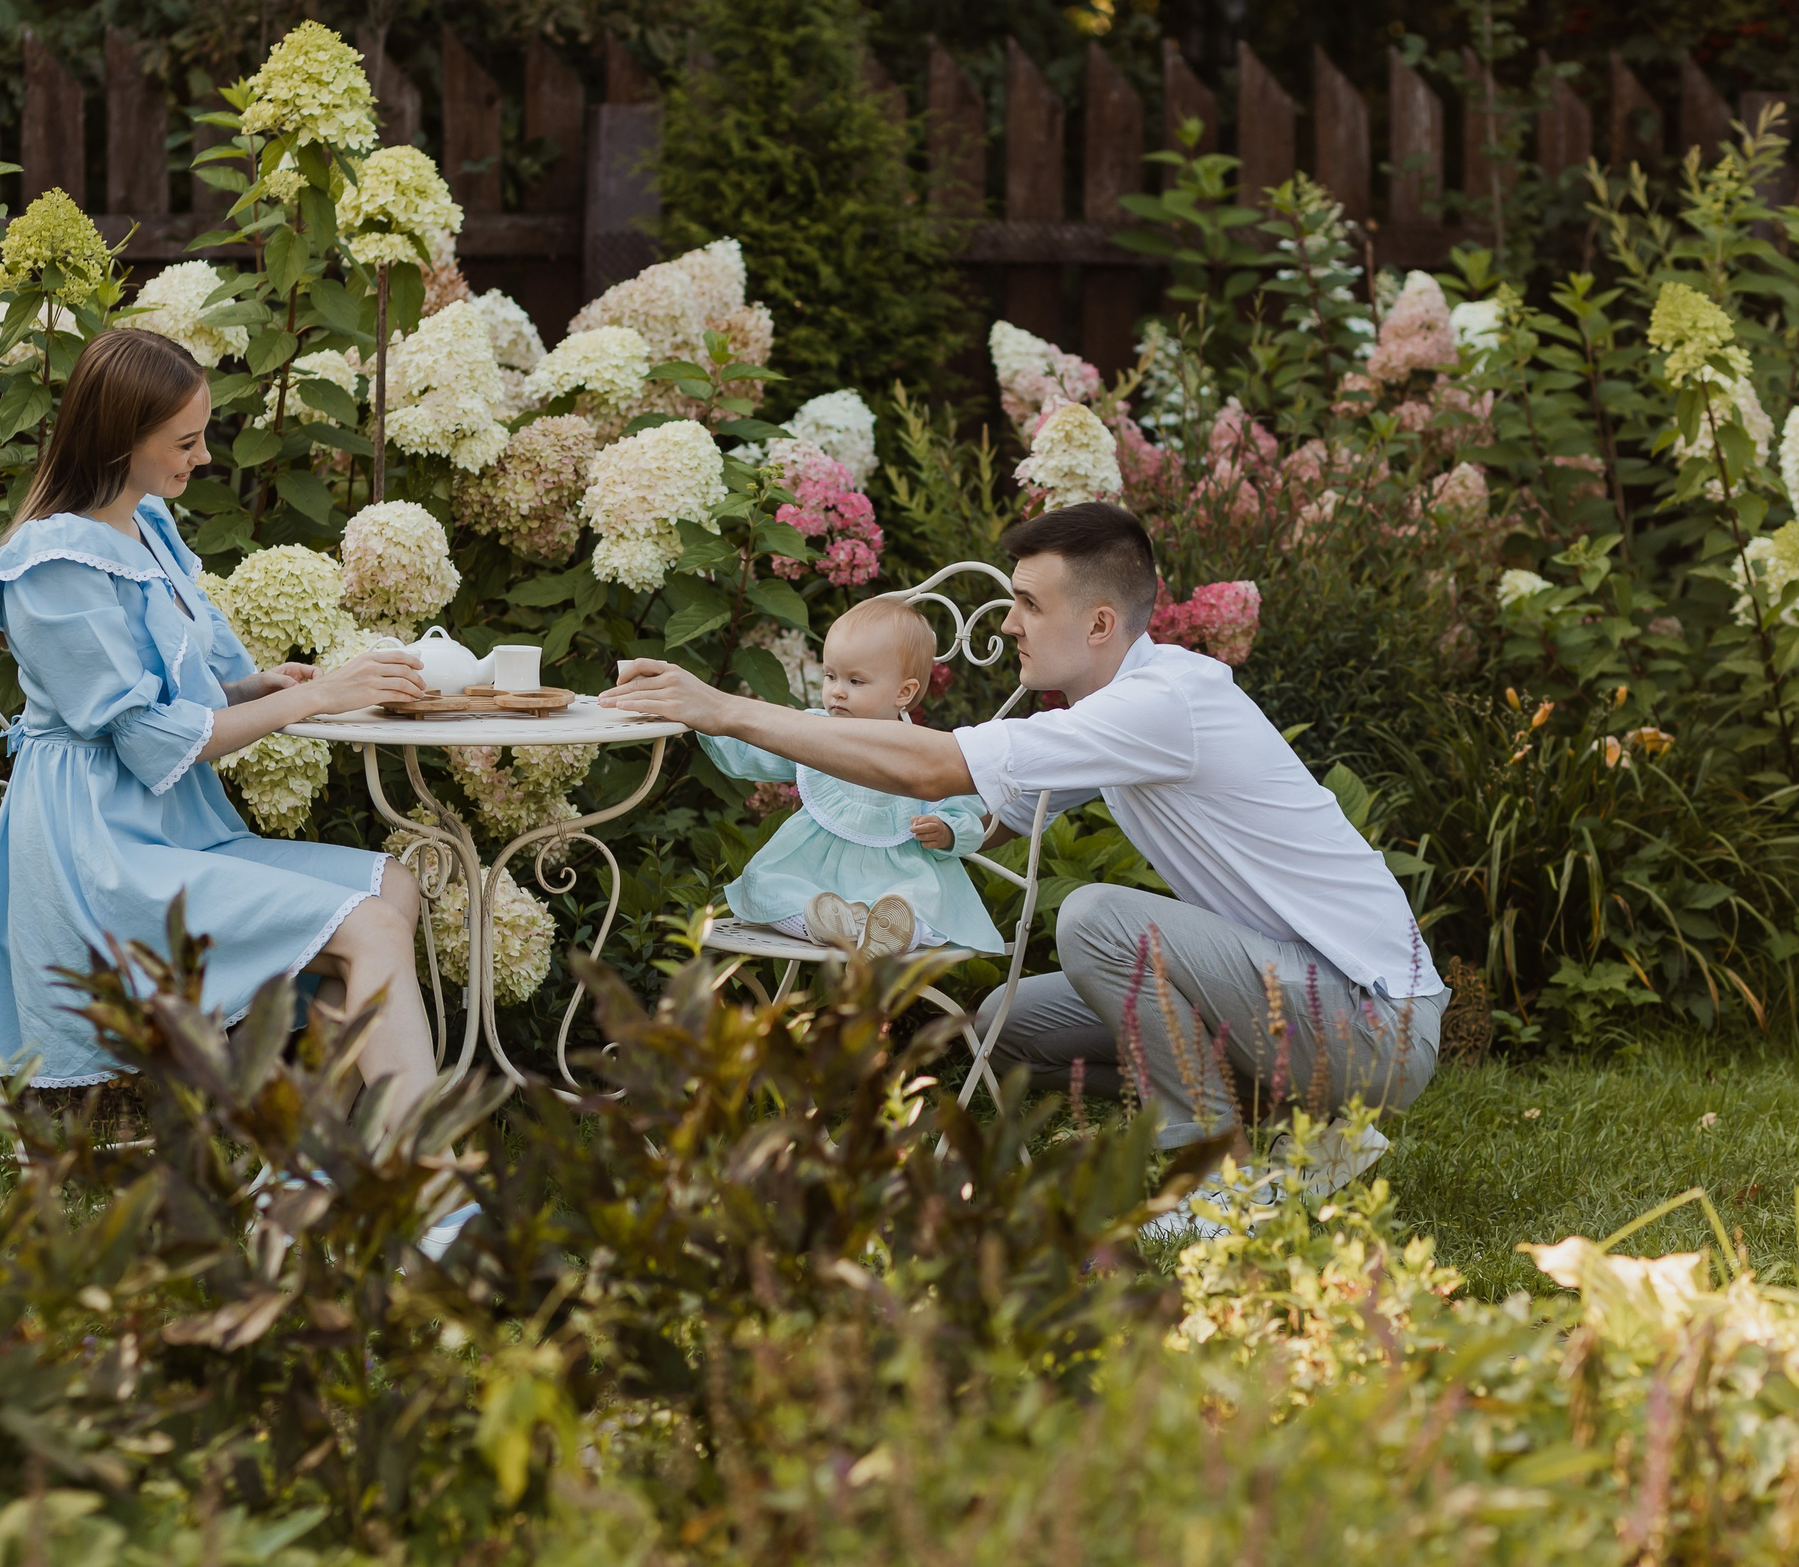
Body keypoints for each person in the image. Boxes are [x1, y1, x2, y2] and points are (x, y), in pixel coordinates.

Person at [602, 499, 1447, 1166]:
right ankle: (1309, 1127)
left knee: (1096, 918)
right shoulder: (1116, 708)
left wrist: (725, 711)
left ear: (1100, 626)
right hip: (1297, 1003)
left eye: (1028, 604)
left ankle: (1209, 1179)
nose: (1008, 624)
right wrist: (933, 833)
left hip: (1373, 1025)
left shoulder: (1161, 705)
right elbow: (996, 810)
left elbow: (934, 768)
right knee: (1005, 1022)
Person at [0, 328, 441, 1124]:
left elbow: (179, 694)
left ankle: (304, 1172)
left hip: (177, 834)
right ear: (117, 440)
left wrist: (250, 688)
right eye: (186, 441)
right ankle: (425, 1193)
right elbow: (148, 739)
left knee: (395, 888)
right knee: (371, 925)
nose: (203, 458)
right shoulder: (53, 565)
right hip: (100, 857)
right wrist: (314, 698)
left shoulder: (147, 529)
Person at [696, 596, 999, 958]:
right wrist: (704, 719)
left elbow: (964, 809)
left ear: (904, 692)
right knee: (767, 885)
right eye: (830, 676)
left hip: (897, 872)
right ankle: (824, 924)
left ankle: (893, 929)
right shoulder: (815, 731)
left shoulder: (922, 751)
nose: (837, 690)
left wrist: (947, 830)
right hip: (813, 870)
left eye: (855, 680)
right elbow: (757, 749)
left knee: (922, 900)